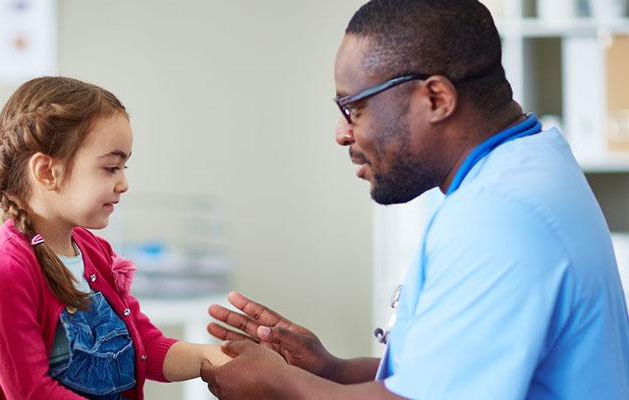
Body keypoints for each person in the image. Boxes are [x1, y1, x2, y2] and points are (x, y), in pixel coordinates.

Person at [201, 0, 629, 398]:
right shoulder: (526, 167)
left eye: (354, 108)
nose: (341, 132)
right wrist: (329, 370)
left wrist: (280, 386)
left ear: (436, 98)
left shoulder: (499, 216)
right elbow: (451, 374)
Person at [0, 76, 231, 399]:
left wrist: (212, 359)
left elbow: (143, 344)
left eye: (124, 167)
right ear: (46, 172)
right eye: (111, 167)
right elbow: (33, 393)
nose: (123, 183)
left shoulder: (95, 252)